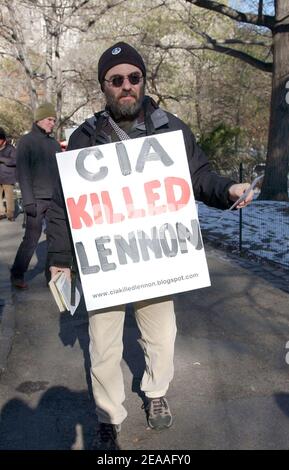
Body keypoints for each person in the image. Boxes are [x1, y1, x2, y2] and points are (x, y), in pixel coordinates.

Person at [46, 42, 254, 450]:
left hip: (155, 259)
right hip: (105, 264)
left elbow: (200, 177)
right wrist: (58, 260)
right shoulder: (84, 137)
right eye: (117, 79)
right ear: (104, 86)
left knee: (161, 335)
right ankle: (109, 412)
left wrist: (229, 188)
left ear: (143, 81)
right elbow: (61, 206)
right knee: (102, 342)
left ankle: (156, 392)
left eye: (134, 78)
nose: (127, 86)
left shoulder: (172, 128)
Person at [10, 102, 61, 289]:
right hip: (36, 201)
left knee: (55, 239)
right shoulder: (27, 141)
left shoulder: (54, 143)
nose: (52, 123)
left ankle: (52, 277)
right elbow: (22, 173)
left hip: (54, 200)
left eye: (54, 120)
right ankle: (17, 274)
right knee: (31, 239)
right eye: (49, 119)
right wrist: (28, 201)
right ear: (39, 119)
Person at [0, 127, 16, 221]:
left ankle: (10, 214)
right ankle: (1, 213)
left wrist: (1, 159)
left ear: (3, 140)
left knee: (9, 197)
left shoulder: (11, 149)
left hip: (8, 178)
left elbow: (14, 161)